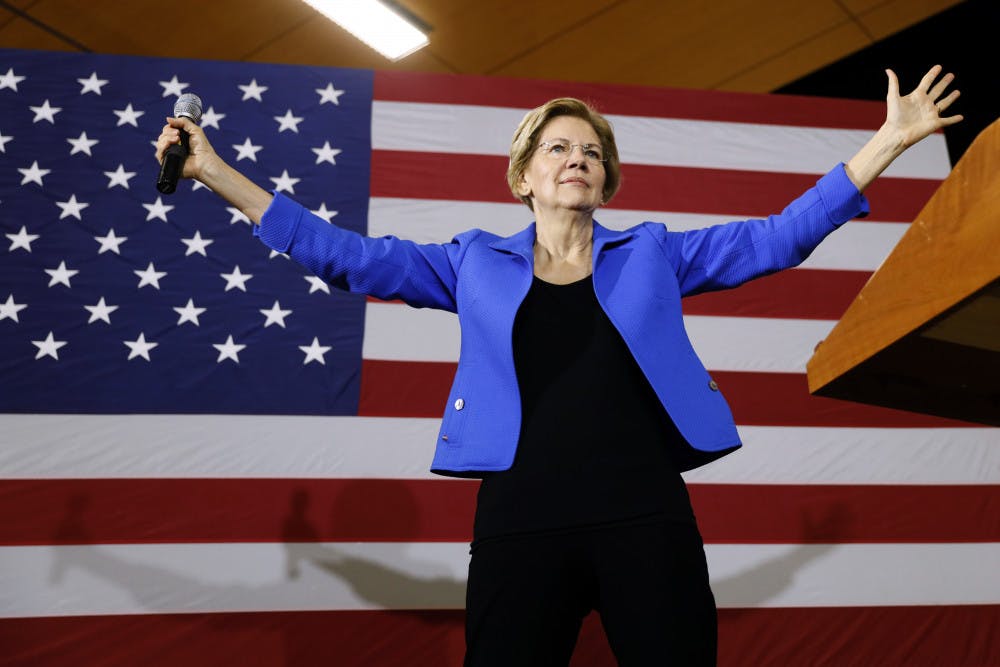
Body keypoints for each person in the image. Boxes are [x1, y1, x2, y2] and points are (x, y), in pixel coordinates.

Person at [156, 65, 961, 666]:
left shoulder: (652, 250)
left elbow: (776, 236)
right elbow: (348, 257)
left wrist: (887, 141)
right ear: (523, 176)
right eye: (557, 147)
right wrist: (212, 172)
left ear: (606, 176)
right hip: (521, 520)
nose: (577, 157)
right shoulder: (470, 261)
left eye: (591, 150)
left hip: (644, 514)